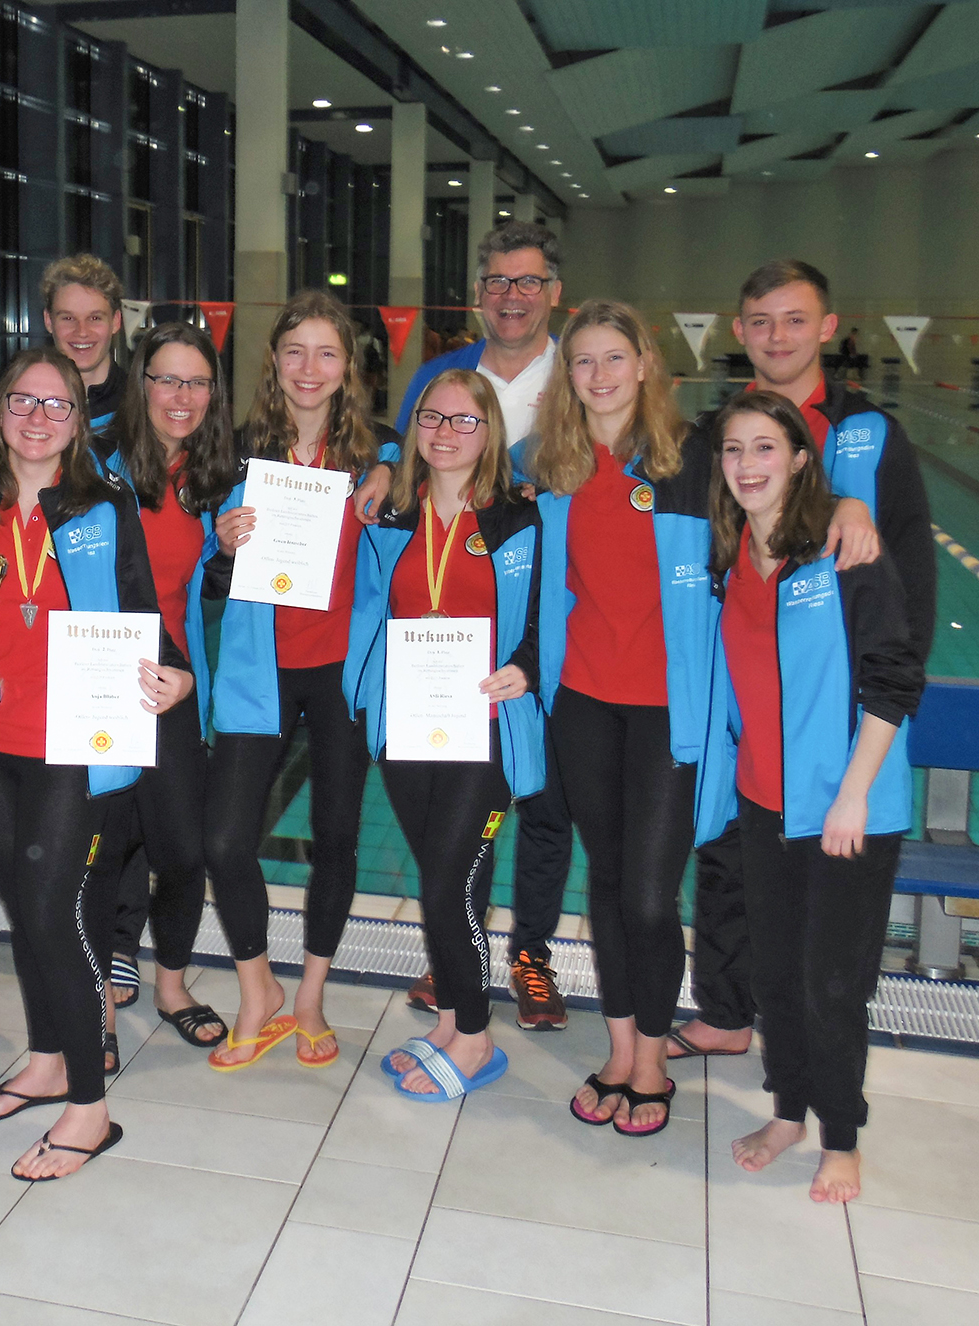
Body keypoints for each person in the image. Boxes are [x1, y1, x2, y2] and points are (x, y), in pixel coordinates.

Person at [0, 346, 192, 1180]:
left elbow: (143, 612)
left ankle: (88, 1108)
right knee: (28, 908)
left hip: (77, 742)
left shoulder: (105, 508)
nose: (38, 419)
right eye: (23, 403)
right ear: (1, 412)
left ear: (77, 420)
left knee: (54, 910)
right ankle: (44, 1060)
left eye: (56, 406)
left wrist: (174, 671)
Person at [670, 260, 934, 1064]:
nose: (776, 336)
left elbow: (909, 582)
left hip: (832, 723)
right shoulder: (714, 433)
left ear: (826, 327)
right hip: (741, 708)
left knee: (821, 908)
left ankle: (815, 1060)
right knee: (724, 864)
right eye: (759, 321)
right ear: (738, 331)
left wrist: (882, 704)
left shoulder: (869, 433)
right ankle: (725, 1011)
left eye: (794, 320)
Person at [705, 391, 922, 1202]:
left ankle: (842, 1136)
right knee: (775, 976)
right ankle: (788, 1109)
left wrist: (854, 795)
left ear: (800, 459)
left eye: (765, 448)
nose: (748, 466)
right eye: (734, 450)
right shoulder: (736, 558)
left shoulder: (843, 550)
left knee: (833, 981)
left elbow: (895, 674)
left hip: (847, 809)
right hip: (766, 802)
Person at [530, 299, 717, 1138]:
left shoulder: (693, 462)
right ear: (566, 377)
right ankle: (617, 1048)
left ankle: (651, 1055)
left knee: (647, 893)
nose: (599, 376)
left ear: (646, 364)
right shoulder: (554, 468)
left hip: (668, 713)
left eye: (614, 359)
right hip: (585, 704)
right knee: (605, 882)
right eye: (583, 362)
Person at [201, 290, 399, 1071]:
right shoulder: (239, 450)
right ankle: (260, 991)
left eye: (326, 353)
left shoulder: (380, 454)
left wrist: (389, 475)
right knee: (224, 837)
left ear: (348, 365)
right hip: (261, 668)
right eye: (294, 352)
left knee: (339, 838)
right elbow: (211, 580)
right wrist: (223, 544)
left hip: (340, 671)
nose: (308, 369)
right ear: (273, 362)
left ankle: (310, 992)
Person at [391, 221, 571, 1032]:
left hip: (557, 610)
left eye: (527, 282)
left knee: (545, 802)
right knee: (467, 805)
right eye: (498, 281)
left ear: (552, 293)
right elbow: (402, 462)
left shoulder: (581, 373)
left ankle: (530, 953)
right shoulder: (443, 374)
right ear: (479, 292)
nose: (511, 296)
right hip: (458, 633)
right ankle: (456, 950)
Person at [353, 369, 542, 1100]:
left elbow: (548, 618)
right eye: (433, 418)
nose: (446, 433)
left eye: (466, 421)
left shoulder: (518, 519)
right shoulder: (390, 514)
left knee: (446, 880)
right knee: (448, 879)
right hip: (409, 722)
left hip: (485, 726)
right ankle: (454, 1026)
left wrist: (524, 666)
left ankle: (476, 1036)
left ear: (490, 433)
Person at [97, 322, 239, 1052]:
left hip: (174, 684)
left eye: (196, 382)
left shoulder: (211, 474)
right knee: (100, 845)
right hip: (96, 679)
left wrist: (232, 549)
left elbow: (209, 587)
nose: (180, 397)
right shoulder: (90, 459)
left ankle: (172, 981)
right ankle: (99, 1008)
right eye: (166, 380)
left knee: (184, 851)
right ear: (140, 382)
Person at [40, 254, 125, 431]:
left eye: (94, 318)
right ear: (48, 321)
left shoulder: (143, 404)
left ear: (116, 321)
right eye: (68, 318)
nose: (82, 331)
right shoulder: (25, 407)